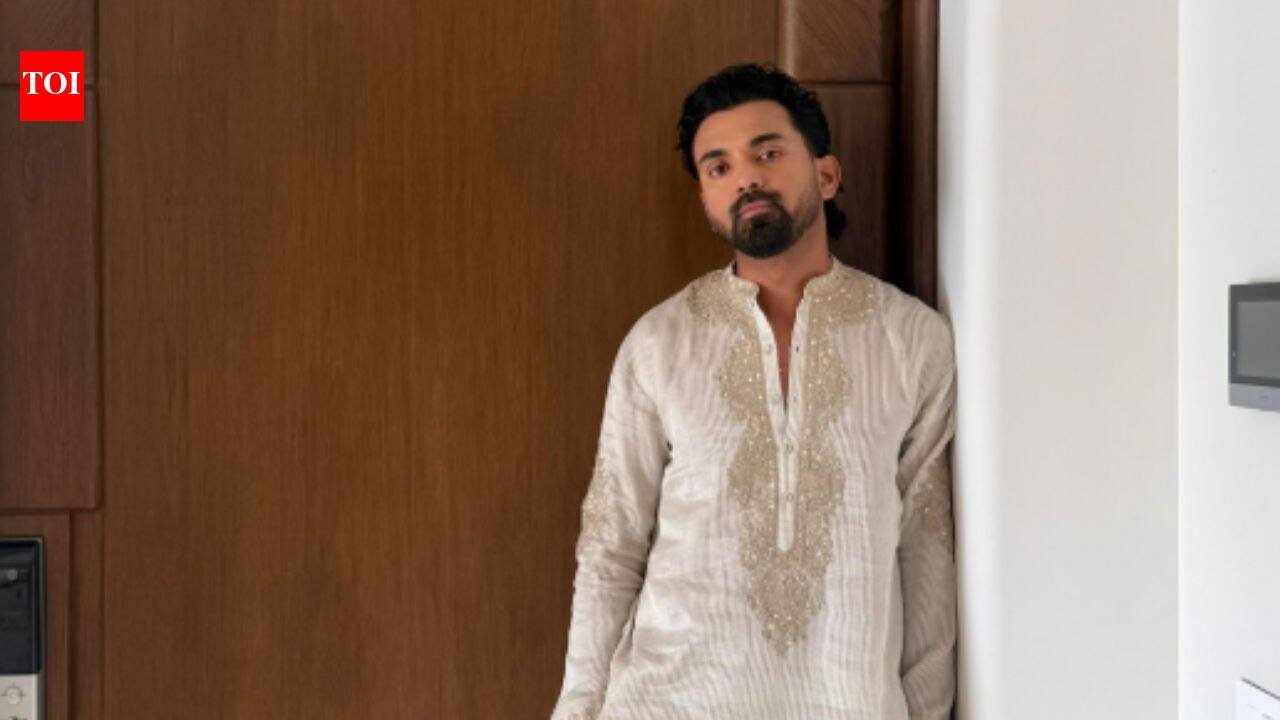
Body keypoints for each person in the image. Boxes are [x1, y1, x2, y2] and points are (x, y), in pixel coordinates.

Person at [550, 62, 957, 720]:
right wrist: (577, 708)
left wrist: (926, 710)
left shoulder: (912, 341)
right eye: (719, 167)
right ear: (707, 201)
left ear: (826, 175)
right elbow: (610, 542)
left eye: (767, 153)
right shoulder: (660, 344)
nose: (745, 178)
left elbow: (926, 545)